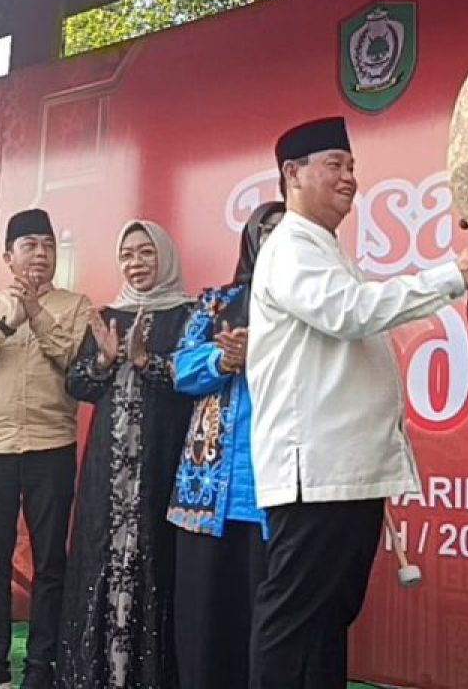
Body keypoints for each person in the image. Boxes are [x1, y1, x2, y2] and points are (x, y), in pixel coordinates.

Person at [246, 117, 468, 689]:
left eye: (352, 166)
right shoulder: (290, 249)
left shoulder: (324, 249)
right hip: (317, 473)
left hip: (346, 471)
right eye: (334, 164)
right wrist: (449, 277)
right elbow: (351, 311)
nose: (349, 178)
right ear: (293, 173)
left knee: (328, 619)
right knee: (294, 619)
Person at [0, 209, 91, 689]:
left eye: (48, 245)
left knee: (51, 561)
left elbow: (78, 361)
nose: (40, 254)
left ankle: (42, 666)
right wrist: (7, 324)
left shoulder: (76, 306)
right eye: (29, 245)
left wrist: (37, 316)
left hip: (51, 445)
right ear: (9, 257)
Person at [57, 220, 195, 689]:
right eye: (128, 255)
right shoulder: (107, 316)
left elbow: (192, 383)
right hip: (108, 471)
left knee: (157, 558)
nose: (136, 264)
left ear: (165, 257)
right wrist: (104, 360)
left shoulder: (189, 316)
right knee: (102, 555)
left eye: (146, 253)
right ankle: (97, 674)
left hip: (162, 462)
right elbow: (78, 385)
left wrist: (145, 363)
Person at [167, 200, 284, 689]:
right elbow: (180, 369)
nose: (277, 238)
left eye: (288, 229)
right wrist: (224, 358)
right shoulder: (217, 302)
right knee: (204, 622)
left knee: (271, 627)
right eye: (268, 229)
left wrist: (263, 350)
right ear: (252, 240)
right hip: (207, 488)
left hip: (278, 491)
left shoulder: (317, 301)